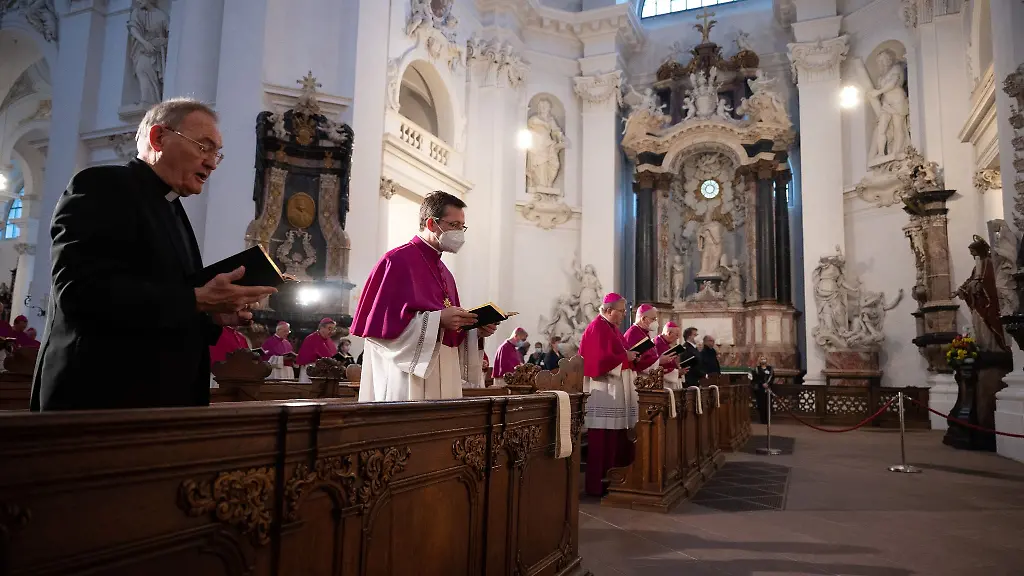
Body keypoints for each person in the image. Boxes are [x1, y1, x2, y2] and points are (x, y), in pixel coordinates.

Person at [30, 97, 277, 411]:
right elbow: (81, 294)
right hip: (98, 402)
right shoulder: (102, 187)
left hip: (157, 404)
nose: (212, 163)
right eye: (203, 147)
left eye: (217, 153)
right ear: (158, 137)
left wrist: (212, 315)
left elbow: (161, 302)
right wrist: (197, 300)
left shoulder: (171, 207)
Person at [353, 191, 498, 401]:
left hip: (443, 367)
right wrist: (438, 320)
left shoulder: (445, 272)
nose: (459, 233)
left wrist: (473, 329)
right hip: (406, 372)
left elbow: (450, 332)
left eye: (461, 226)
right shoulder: (396, 261)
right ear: (431, 224)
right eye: (453, 225)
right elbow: (380, 330)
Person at [579, 292, 639, 497]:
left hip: (614, 389)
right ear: (608, 310)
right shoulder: (597, 327)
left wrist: (629, 355)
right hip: (603, 390)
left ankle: (612, 479)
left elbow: (620, 352)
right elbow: (597, 361)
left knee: (613, 436)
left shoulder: (611, 328)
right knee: (601, 439)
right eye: (621, 311)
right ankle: (596, 485)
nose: (623, 315)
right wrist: (625, 356)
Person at [622, 304, 676, 374]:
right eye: (653, 319)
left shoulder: (644, 333)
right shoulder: (633, 334)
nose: (656, 322)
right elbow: (638, 362)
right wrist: (659, 361)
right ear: (643, 319)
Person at [654, 321, 688, 388]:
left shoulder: (665, 343)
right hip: (664, 383)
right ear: (669, 333)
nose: (677, 338)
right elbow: (661, 367)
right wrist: (678, 372)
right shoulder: (659, 344)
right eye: (677, 335)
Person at [752, 355, 774, 424]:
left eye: (764, 359)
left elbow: (772, 377)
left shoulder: (770, 369)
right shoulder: (757, 369)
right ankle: (762, 420)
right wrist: (762, 384)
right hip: (760, 389)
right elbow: (755, 378)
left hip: (768, 389)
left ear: (766, 360)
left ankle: (768, 419)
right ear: (759, 361)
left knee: (768, 404)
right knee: (761, 405)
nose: (763, 360)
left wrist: (768, 384)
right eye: (761, 359)